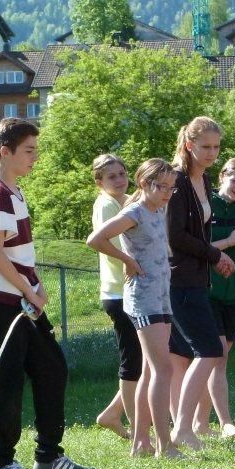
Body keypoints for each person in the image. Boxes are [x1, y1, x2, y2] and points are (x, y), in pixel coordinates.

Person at [0, 117, 96, 469]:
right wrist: (29, 292)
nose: (36, 157)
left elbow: (19, 253)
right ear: (5, 151)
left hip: (23, 300)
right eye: (29, 151)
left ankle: (48, 457)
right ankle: (0, 464)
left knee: (51, 368)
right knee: (6, 381)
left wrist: (37, 286)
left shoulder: (15, 191)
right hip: (3, 301)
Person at [87, 158, 181, 459]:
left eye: (171, 188)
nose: (167, 193)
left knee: (151, 370)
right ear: (144, 183)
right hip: (143, 297)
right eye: (161, 186)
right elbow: (96, 239)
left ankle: (141, 442)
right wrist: (127, 260)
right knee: (163, 368)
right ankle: (164, 445)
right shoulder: (134, 212)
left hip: (161, 295)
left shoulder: (157, 210)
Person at [166, 116, 235, 450]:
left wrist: (213, 258)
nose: (212, 153)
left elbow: (200, 232)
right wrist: (214, 255)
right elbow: (175, 235)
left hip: (196, 278)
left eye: (217, 147)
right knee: (208, 350)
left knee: (188, 354)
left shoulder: (204, 180)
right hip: (177, 278)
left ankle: (184, 428)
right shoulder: (176, 180)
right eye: (206, 146)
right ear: (189, 144)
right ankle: (182, 428)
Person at [194, 157, 235, 437]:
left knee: (219, 356)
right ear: (222, 176)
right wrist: (229, 241)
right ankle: (225, 423)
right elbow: (195, 247)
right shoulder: (205, 206)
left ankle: (200, 422)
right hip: (206, 291)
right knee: (217, 356)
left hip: (234, 294)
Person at [90, 154, 140, 440]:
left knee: (144, 359)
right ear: (100, 182)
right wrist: (130, 260)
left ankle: (112, 413)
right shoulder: (106, 204)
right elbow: (105, 242)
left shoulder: (124, 201)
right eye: (112, 176)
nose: (120, 180)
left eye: (122, 173)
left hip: (130, 291)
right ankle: (137, 428)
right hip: (119, 293)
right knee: (132, 359)